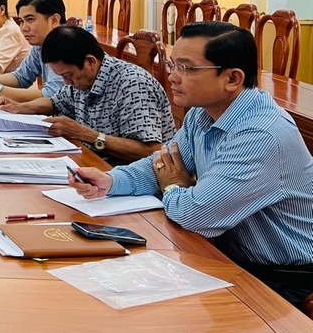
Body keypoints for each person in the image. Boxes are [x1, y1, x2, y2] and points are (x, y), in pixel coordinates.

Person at [70, 22, 313, 307]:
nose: (172, 76)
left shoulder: (261, 134)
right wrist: (112, 181)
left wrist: (173, 187)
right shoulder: (203, 112)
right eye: (173, 64)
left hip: (285, 279)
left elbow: (195, 214)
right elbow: (162, 164)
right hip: (229, 256)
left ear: (232, 78)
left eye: (186, 68)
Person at [0, 25, 174, 163]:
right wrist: (20, 107)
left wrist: (87, 135)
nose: (66, 82)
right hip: (94, 164)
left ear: (90, 62)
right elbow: (55, 103)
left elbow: (151, 152)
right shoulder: (83, 79)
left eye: (68, 76)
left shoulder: (132, 84)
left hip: (132, 177)